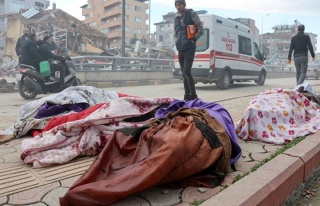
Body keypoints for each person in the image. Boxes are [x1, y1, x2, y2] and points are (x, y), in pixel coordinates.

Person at [174, 0, 204, 101]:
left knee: (187, 71)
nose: (178, 7)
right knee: (183, 73)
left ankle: (194, 95)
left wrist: (194, 40)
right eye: (176, 5)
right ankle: (187, 96)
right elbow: (176, 33)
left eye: (180, 4)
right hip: (180, 48)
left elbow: (201, 29)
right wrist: (177, 41)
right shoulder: (176, 18)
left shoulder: (192, 14)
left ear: (184, 5)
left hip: (190, 48)